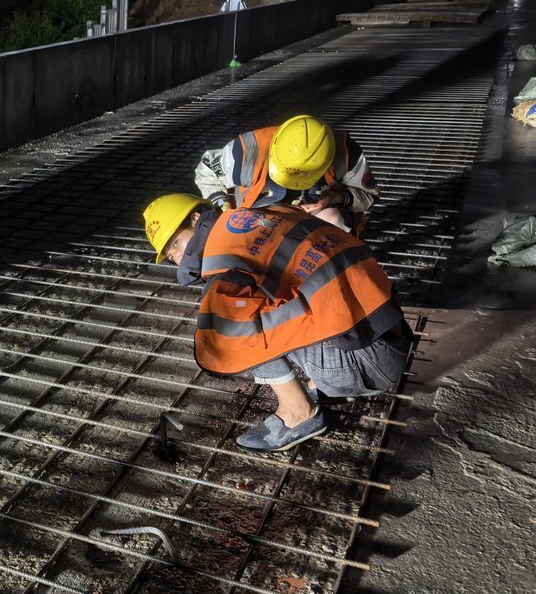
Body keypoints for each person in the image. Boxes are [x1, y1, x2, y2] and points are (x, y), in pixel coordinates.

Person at [142, 192, 411, 453]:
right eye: (170, 256)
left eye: (176, 244)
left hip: (366, 364)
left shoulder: (222, 261)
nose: (178, 258)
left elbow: (226, 340)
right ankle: (317, 384)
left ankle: (298, 412)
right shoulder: (257, 213)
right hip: (393, 332)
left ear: (195, 218)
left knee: (234, 325)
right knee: (281, 292)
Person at [193, 114, 378, 234]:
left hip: (315, 220)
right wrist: (222, 204)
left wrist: (337, 198)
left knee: (333, 219)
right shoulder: (245, 152)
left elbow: (368, 196)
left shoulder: (346, 153)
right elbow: (207, 170)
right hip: (257, 217)